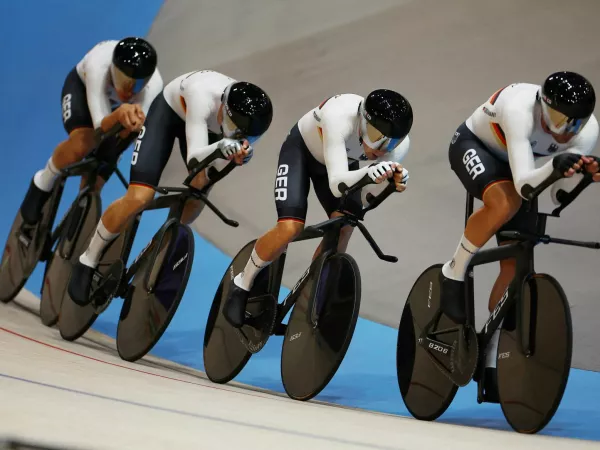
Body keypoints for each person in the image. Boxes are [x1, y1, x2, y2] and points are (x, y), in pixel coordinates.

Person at [442, 71, 600, 400]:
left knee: (514, 266)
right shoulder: (519, 110)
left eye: (574, 123)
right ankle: (454, 270)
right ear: (542, 105)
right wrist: (558, 163)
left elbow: (557, 196)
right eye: (557, 118)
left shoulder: (589, 131)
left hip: (526, 167)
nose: (564, 130)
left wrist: (582, 177)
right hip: (477, 146)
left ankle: (490, 354)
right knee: (505, 202)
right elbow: (525, 185)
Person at [67, 69, 274, 305]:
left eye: (245, 134)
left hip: (209, 129)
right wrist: (222, 147)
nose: (237, 134)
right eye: (232, 126)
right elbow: (196, 157)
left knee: (198, 191)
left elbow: (211, 166)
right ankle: (88, 260)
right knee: (139, 196)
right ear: (223, 108)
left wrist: (242, 154)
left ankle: (158, 254)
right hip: (170, 113)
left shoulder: (243, 121)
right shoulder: (202, 95)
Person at [223, 90, 413, 328]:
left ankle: (311, 297)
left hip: (340, 161)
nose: (381, 149)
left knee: (345, 225)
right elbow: (336, 185)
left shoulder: (399, 146)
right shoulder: (338, 117)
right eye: (376, 136)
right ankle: (242, 284)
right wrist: (368, 172)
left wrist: (392, 182)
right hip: (302, 152)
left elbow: (366, 197)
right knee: (290, 227)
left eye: (391, 143)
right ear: (362, 121)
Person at [20, 37, 163, 225]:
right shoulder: (98, 66)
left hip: (118, 112)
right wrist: (120, 113)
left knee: (102, 168)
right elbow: (100, 127)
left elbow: (132, 132)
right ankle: (44, 180)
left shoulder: (154, 86)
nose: (128, 91)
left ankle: (82, 207)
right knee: (83, 143)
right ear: (112, 68)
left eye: (136, 85)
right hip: (82, 89)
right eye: (123, 80)